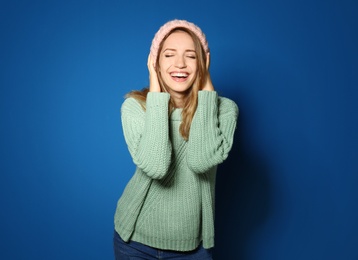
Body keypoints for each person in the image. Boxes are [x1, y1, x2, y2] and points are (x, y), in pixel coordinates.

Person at [113, 19, 239, 260]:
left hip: (194, 249)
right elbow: (156, 166)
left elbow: (202, 160)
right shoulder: (135, 107)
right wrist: (157, 96)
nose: (180, 64)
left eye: (191, 56)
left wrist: (207, 95)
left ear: (203, 63)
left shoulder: (224, 110)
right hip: (134, 242)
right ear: (155, 63)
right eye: (169, 55)